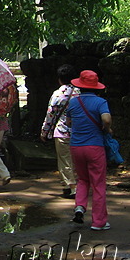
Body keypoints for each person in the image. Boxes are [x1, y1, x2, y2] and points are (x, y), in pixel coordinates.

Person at [65, 69, 111, 230]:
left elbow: (68, 122)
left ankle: (80, 207)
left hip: (76, 146)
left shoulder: (73, 102)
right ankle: (99, 222)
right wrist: (106, 128)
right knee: (98, 184)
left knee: (83, 179)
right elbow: (106, 118)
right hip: (94, 146)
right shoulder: (100, 102)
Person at [40, 64, 79, 198]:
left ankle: (70, 186)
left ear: (60, 79)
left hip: (62, 131)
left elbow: (50, 114)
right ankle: (73, 185)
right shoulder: (79, 93)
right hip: (80, 132)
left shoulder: (58, 94)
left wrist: (44, 132)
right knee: (77, 159)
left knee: (64, 160)